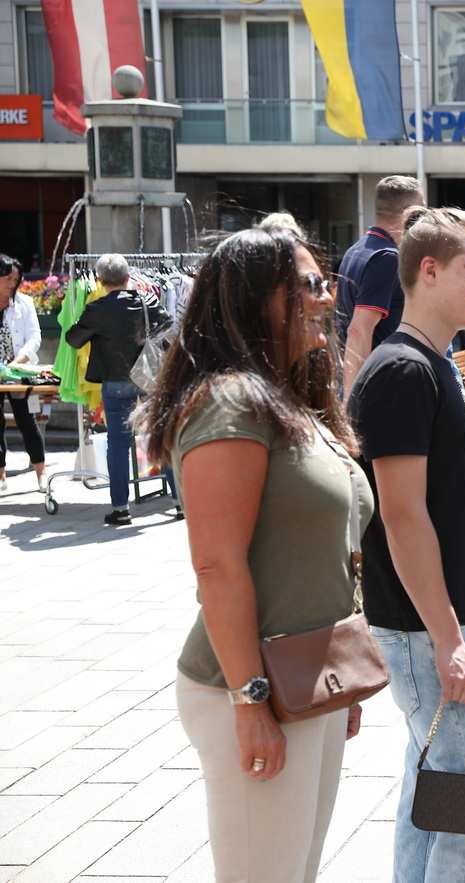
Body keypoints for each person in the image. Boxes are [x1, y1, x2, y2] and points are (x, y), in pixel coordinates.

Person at [136, 227, 371, 882]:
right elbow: (216, 564)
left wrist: (340, 675)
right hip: (251, 686)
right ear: (255, 299)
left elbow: (326, 548)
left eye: (325, 283)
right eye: (309, 285)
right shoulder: (230, 402)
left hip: (307, 681)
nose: (326, 298)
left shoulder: (291, 400)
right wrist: (249, 699)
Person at [348, 206, 465, 882]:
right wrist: (449, 641)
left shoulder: (433, 362)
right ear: (429, 270)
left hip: (458, 622)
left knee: (436, 793)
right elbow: (401, 516)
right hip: (432, 632)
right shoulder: (402, 371)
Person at [65, 253, 178, 524]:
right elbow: (169, 330)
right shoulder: (147, 300)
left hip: (115, 382)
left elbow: (74, 340)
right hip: (148, 378)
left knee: (117, 444)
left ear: (100, 281)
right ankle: (180, 502)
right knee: (160, 436)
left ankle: (121, 509)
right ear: (128, 277)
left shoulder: (97, 308)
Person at [337, 175, 427, 400]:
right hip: (379, 386)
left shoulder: (355, 250)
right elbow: (359, 330)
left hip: (367, 379)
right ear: (408, 211)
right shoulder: (386, 258)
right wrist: (353, 400)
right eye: (422, 208)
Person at [0, 253, 46, 492]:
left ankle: (41, 473)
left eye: (16, 279)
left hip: (19, 371)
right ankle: (1, 475)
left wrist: (17, 361)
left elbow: (35, 337)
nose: (13, 284)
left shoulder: (24, 303)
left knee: (26, 420)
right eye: (8, 278)